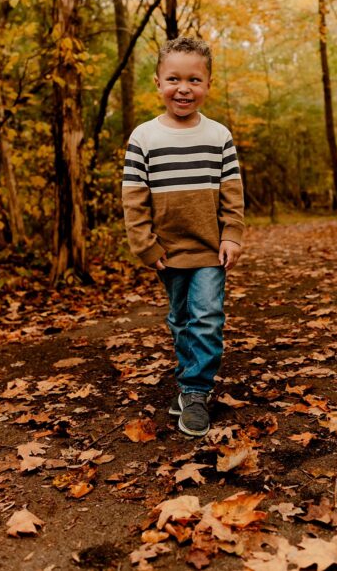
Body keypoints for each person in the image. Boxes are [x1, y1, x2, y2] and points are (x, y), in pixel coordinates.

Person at [121, 36, 244, 437]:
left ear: (208, 84)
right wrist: (144, 244)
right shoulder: (144, 137)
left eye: (194, 79)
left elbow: (232, 190)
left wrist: (232, 235)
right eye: (174, 78)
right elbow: (134, 198)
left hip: (210, 248)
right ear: (158, 82)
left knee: (207, 317)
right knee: (181, 319)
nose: (184, 88)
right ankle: (190, 379)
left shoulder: (218, 135)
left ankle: (194, 391)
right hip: (167, 251)